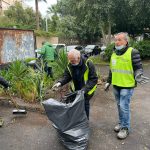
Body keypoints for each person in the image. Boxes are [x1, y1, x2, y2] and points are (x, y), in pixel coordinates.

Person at [104, 32, 149, 139]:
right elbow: (112, 70)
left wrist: (138, 75)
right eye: (115, 40)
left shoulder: (133, 52)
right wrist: (108, 81)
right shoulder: (114, 54)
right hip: (116, 85)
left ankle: (125, 128)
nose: (117, 42)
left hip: (127, 85)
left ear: (126, 41)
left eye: (119, 40)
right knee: (119, 106)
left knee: (124, 106)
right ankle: (121, 123)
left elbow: (138, 67)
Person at [52, 49, 98, 119]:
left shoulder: (88, 63)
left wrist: (85, 89)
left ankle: (84, 124)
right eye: (70, 60)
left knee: (84, 106)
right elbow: (67, 76)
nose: (71, 62)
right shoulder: (70, 64)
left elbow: (93, 79)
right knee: (75, 106)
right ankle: (77, 122)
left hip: (87, 90)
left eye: (72, 61)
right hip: (76, 89)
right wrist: (60, 82)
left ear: (78, 58)